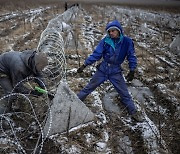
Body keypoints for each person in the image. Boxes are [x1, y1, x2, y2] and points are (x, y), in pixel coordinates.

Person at [77, 20, 143, 122]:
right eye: (109, 31)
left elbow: (131, 56)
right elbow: (96, 54)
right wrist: (85, 65)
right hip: (103, 69)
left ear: (119, 31)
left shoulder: (127, 41)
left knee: (124, 93)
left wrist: (132, 70)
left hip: (115, 71)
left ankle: (133, 112)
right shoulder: (105, 41)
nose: (111, 33)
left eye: (113, 31)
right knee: (89, 87)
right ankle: (75, 102)